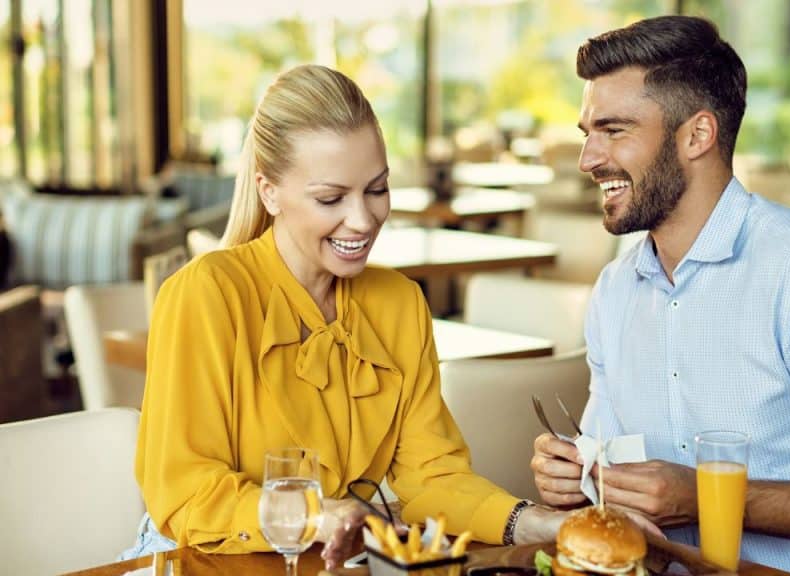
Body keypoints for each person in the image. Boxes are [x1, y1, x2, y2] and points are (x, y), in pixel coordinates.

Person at [530, 16, 790, 575]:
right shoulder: (616, 289)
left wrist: (710, 497)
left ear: (697, 135)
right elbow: (611, 467)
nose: (588, 158)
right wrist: (578, 476)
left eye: (614, 130)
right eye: (588, 132)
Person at [126, 64, 558, 570]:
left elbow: (432, 478)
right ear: (269, 191)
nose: (363, 219)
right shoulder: (206, 293)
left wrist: (535, 521)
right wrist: (318, 515)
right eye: (331, 198)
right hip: (199, 560)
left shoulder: (400, 302)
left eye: (377, 189)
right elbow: (185, 494)